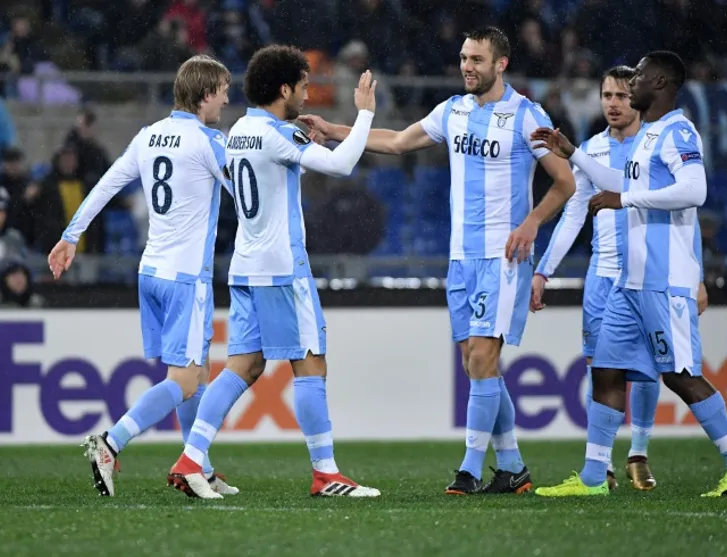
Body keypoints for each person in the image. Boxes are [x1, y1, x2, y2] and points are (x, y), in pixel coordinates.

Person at [300, 26, 576, 495]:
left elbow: (565, 181)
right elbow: (397, 141)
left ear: (501, 64)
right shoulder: (453, 110)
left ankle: (469, 470)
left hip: (503, 257)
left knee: (483, 356)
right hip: (461, 257)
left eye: (477, 59)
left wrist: (532, 222)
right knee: (475, 362)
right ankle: (513, 467)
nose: (467, 66)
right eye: (464, 58)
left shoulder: (527, 116)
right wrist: (335, 130)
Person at [531, 51, 727, 497]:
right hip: (629, 282)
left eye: (636, 76)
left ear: (657, 83)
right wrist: (574, 153)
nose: (629, 83)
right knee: (606, 370)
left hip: (663, 279)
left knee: (679, 375)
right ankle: (594, 477)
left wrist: (628, 200)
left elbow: (695, 190)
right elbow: (620, 184)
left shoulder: (678, 131)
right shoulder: (646, 138)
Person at [167, 45, 380, 499]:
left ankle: (190, 459)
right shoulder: (276, 134)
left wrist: (301, 143)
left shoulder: (239, 130)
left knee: (243, 366)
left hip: (245, 267)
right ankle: (326, 473)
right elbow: (342, 165)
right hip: (283, 268)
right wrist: (364, 115)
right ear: (284, 89)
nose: (307, 95)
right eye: (302, 86)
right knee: (311, 363)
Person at [48, 55, 239, 498]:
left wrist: (70, 235)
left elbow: (106, 185)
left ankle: (199, 467)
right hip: (186, 278)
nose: (227, 100)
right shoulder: (210, 141)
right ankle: (111, 442)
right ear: (205, 94)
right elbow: (248, 192)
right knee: (185, 380)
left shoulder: (148, 135)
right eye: (223, 91)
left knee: (198, 374)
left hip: (151, 272)